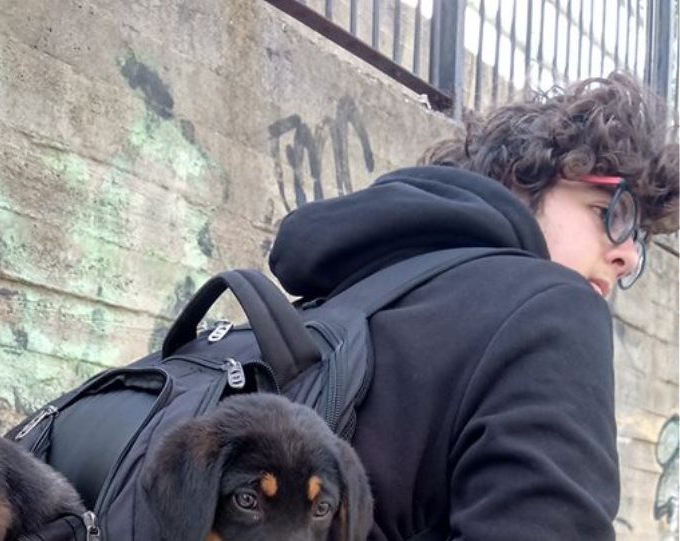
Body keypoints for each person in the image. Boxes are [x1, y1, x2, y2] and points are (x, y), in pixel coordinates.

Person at [267, 72, 678, 540]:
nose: (630, 256)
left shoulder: (345, 299)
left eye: (639, 236)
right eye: (609, 212)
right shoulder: (553, 310)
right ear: (519, 180)